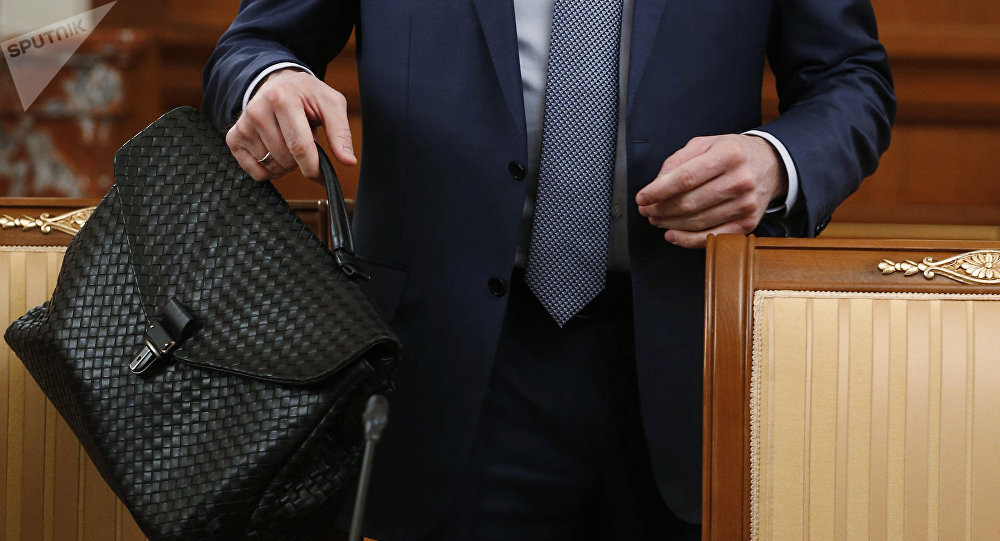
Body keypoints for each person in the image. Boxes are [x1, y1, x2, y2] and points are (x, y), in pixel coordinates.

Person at [203, 1, 894, 539]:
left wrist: (776, 162)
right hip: (440, 366)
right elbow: (254, 46)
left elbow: (851, 79)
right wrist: (271, 81)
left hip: (691, 361)